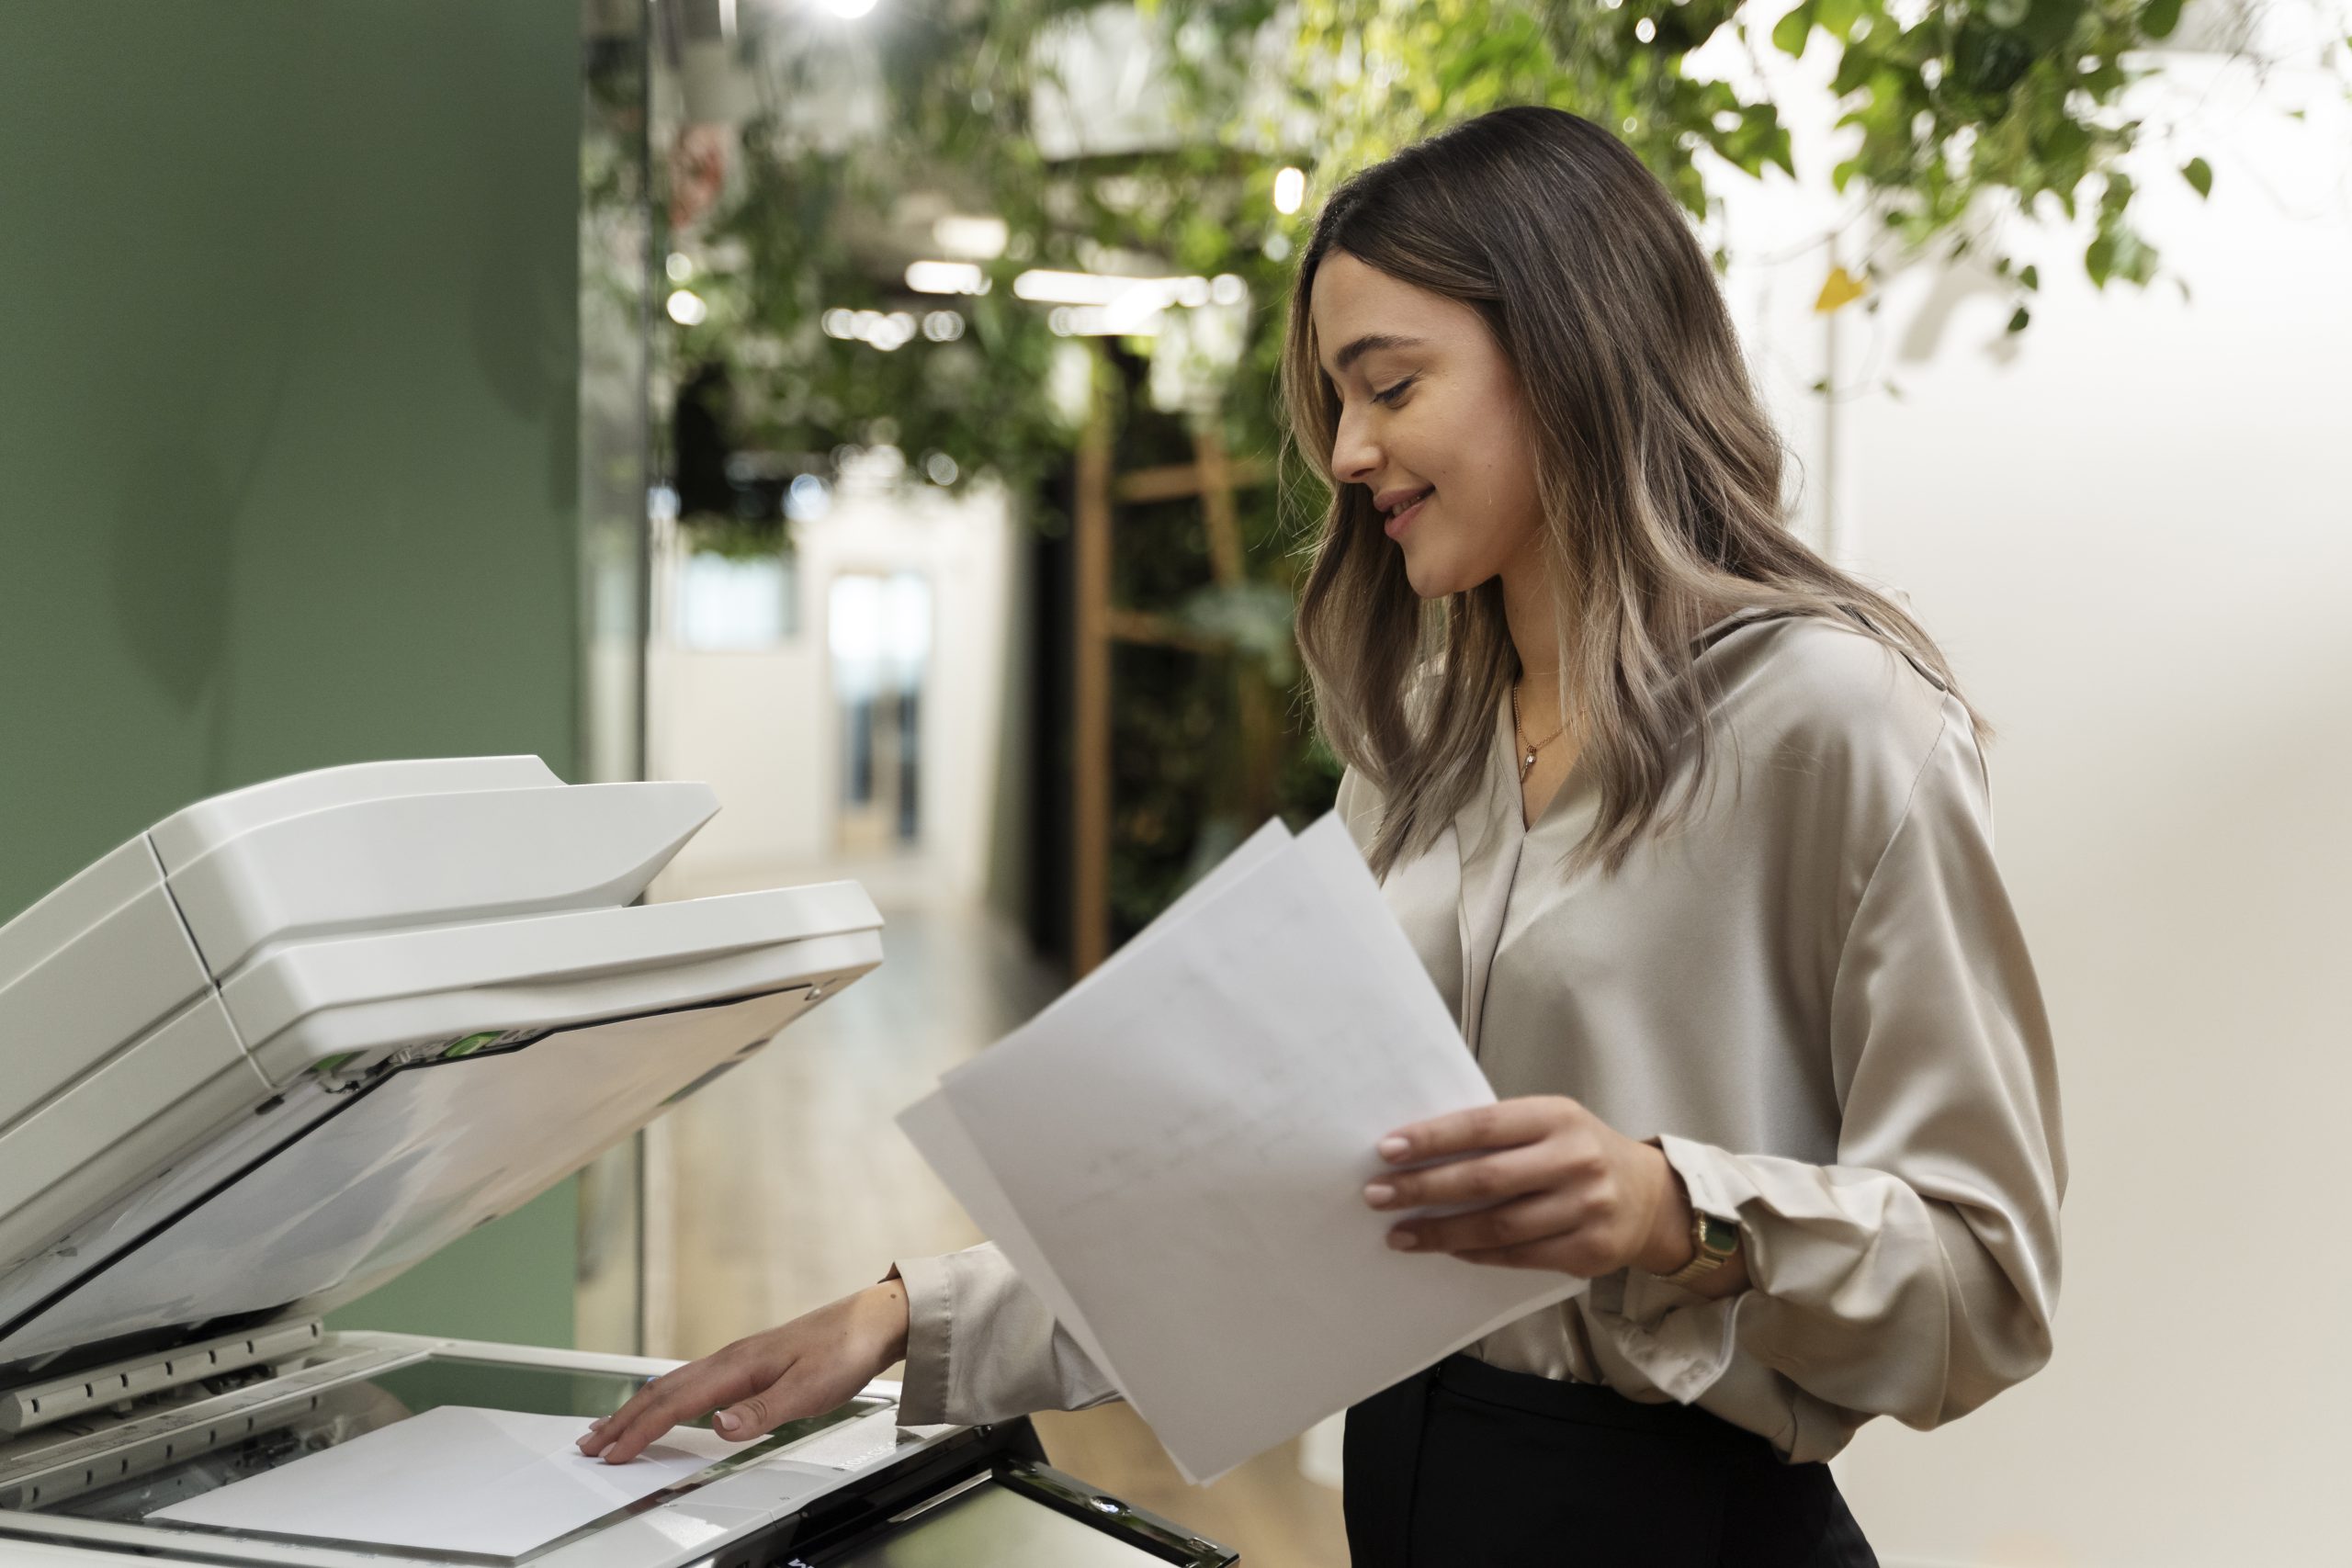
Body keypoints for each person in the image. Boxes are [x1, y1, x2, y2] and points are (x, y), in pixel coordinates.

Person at [581, 105, 2064, 1566]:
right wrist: (902, 1321)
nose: (1349, 452)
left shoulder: (1837, 720)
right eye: (1336, 405)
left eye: (1390, 386)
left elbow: (1987, 1281)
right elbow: (1254, 1207)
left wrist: (1676, 1211)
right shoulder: (1426, 750)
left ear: (1571, 357)